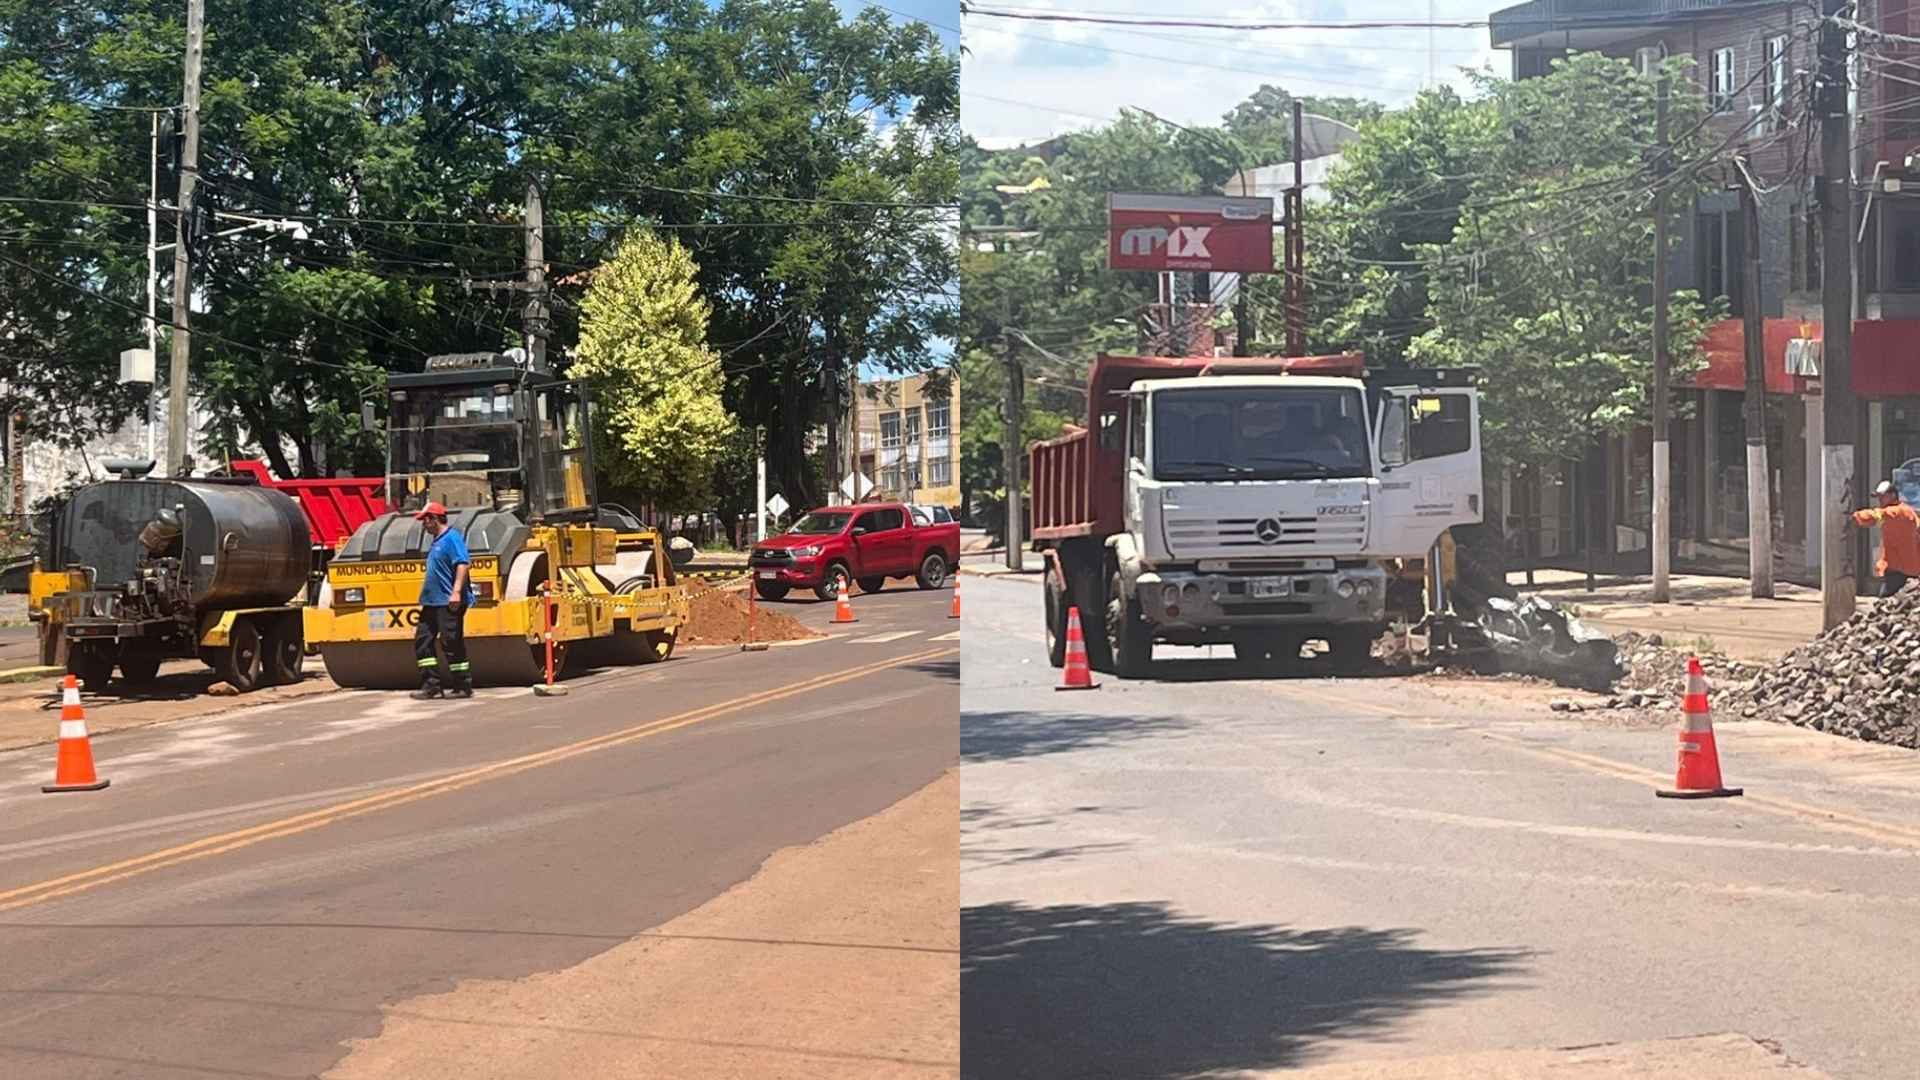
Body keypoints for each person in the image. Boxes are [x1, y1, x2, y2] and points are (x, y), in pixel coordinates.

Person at [412, 501, 475, 699]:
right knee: (423, 641)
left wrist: (456, 592)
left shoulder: (452, 538)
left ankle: (462, 685)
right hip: (431, 602)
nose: (423, 524)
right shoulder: (437, 541)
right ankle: (431, 685)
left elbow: (463, 564)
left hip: (448, 602)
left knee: (451, 642)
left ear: (434, 519)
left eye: (425, 520)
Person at [1852, 480, 1920, 598]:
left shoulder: (1896, 512)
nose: (1880, 500)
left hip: (1898, 569)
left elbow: (1875, 516)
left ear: (1893, 495)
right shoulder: (1908, 512)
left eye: (1882, 496)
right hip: (1908, 568)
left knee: (1885, 603)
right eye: (1878, 497)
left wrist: (1854, 517)